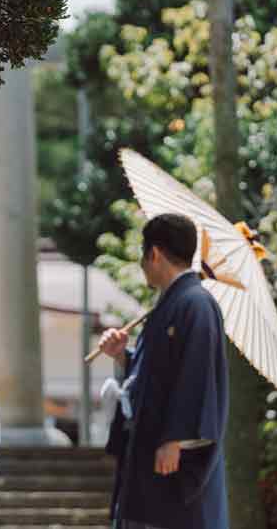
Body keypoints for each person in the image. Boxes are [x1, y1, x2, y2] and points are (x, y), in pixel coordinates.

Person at [97, 213, 229, 529]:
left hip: (173, 458)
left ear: (154, 253)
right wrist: (123, 355)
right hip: (149, 449)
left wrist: (176, 439)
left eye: (143, 255)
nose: (142, 265)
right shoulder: (170, 304)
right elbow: (155, 374)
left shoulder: (196, 303)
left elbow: (198, 375)